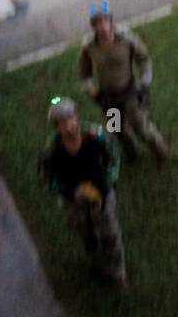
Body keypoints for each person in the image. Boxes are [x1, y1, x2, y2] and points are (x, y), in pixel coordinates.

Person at [39, 97, 127, 290]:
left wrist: (107, 183)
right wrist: (72, 191)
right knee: (86, 234)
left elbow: (113, 158)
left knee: (110, 234)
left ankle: (118, 272)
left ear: (77, 116)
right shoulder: (52, 149)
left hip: (101, 196)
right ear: (56, 127)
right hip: (73, 201)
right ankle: (95, 258)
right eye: (63, 122)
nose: (70, 125)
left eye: (71, 117)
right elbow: (46, 180)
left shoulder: (95, 135)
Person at [77, 3, 168, 163]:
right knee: (117, 130)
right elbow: (84, 76)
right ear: (93, 26)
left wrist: (145, 86)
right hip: (108, 99)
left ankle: (159, 148)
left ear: (111, 21)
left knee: (141, 127)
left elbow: (144, 60)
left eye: (106, 20)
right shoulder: (88, 47)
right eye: (98, 23)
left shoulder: (127, 38)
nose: (103, 27)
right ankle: (131, 153)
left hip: (129, 94)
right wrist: (96, 95)